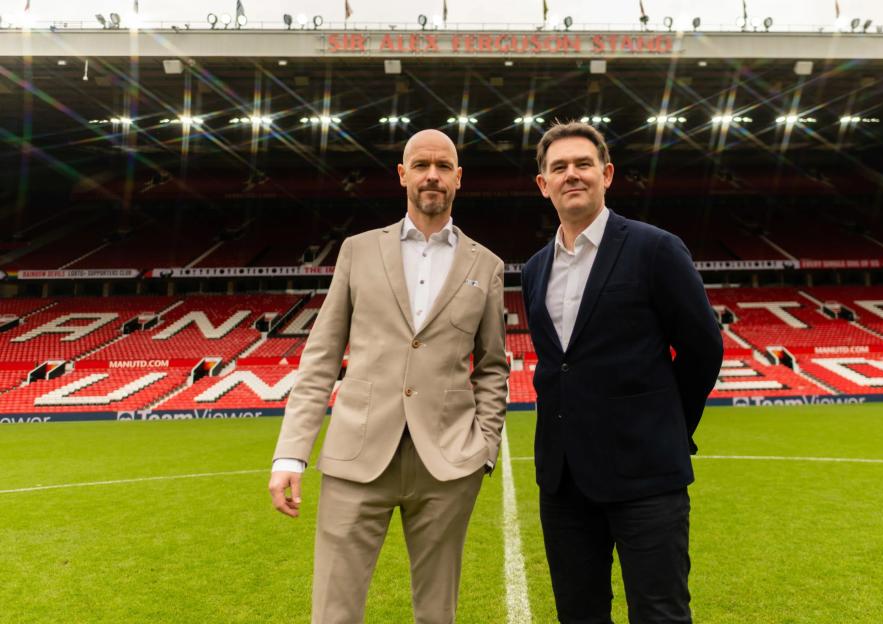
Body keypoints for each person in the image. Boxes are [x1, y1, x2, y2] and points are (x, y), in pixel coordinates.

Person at [269, 129, 509, 624]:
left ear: (458, 179)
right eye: (421, 165)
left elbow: (491, 367)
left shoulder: (486, 265)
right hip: (356, 458)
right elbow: (320, 358)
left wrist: (485, 450)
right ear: (402, 175)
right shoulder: (357, 251)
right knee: (334, 612)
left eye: (444, 167)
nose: (432, 176)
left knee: (436, 614)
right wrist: (291, 453)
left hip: (446, 466)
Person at [521, 121, 723, 623]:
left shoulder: (655, 248)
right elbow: (560, 366)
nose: (572, 175)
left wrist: (669, 429)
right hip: (564, 483)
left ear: (607, 174)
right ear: (543, 184)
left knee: (659, 613)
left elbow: (703, 348)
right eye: (559, 167)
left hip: (647, 477)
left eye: (583, 164)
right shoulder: (532, 269)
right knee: (579, 613)